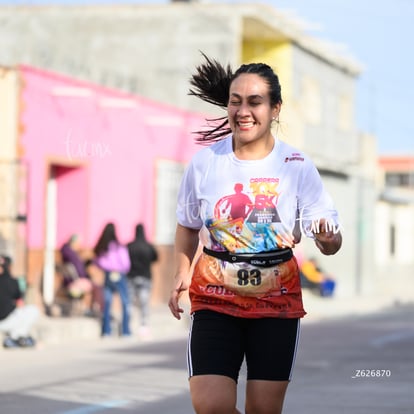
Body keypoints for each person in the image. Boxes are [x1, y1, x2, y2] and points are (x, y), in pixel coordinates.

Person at [168, 54, 342, 414]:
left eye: (255, 102)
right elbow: (187, 224)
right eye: (236, 101)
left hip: (275, 303)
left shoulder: (296, 165)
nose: (243, 111)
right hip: (215, 297)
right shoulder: (204, 163)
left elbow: (327, 233)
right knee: (210, 407)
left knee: (263, 410)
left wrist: (327, 239)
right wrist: (182, 275)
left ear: (275, 109)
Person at [93, 223, 131, 337]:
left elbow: (98, 262)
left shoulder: (103, 247)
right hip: (119, 274)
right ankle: (125, 331)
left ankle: (106, 331)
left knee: (107, 302)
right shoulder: (119, 247)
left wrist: (107, 267)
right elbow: (126, 264)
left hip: (108, 274)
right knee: (125, 302)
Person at [0, 255, 40, 348]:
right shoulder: (12, 282)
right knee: (33, 310)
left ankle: (17, 337)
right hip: (6, 321)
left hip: (7, 320)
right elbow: (20, 302)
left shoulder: (11, 281)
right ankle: (16, 338)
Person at [127, 223, 158, 337]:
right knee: (144, 304)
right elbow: (156, 258)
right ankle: (144, 327)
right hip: (145, 277)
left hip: (131, 277)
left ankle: (128, 326)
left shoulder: (129, 246)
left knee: (129, 303)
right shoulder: (148, 246)